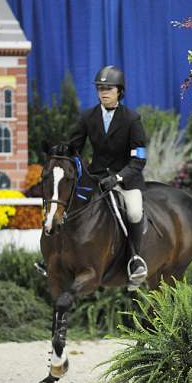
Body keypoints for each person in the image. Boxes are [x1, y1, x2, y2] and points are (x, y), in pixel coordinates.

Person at [69, 65, 148, 288]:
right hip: (96, 178)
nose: (103, 93)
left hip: (126, 179)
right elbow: (73, 146)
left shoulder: (132, 119)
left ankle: (135, 259)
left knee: (133, 211)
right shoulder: (88, 116)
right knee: (69, 204)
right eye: (100, 88)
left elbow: (139, 160)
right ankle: (59, 255)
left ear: (119, 92)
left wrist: (119, 178)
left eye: (109, 88)